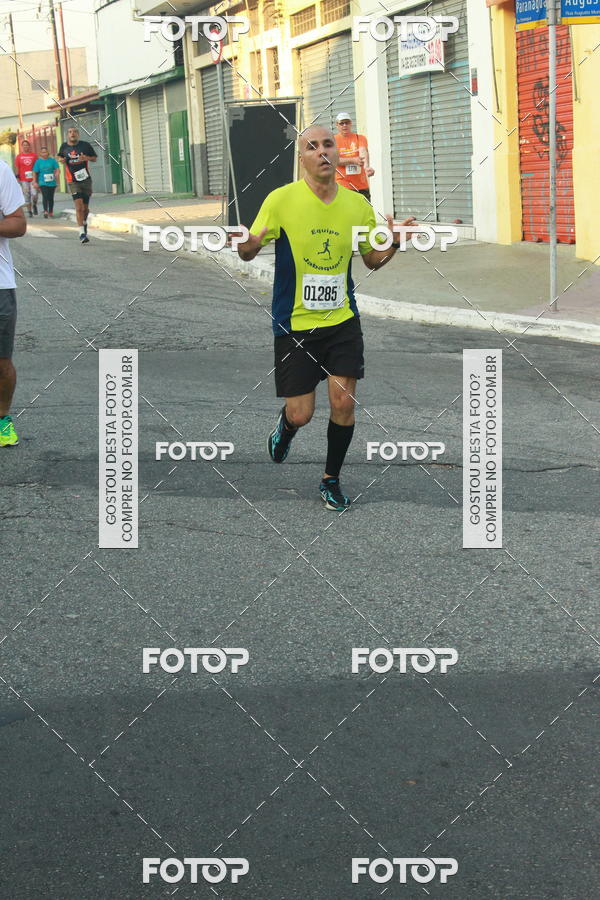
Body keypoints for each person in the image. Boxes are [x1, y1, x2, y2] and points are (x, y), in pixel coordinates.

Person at [236, 125, 415, 511]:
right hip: (295, 323)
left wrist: (395, 242)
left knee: (343, 404)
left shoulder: (356, 205)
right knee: (302, 413)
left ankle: (330, 479)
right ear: (301, 158)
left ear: (338, 153)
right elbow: (250, 250)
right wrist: (246, 246)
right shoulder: (281, 200)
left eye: (328, 145)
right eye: (311, 147)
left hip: (341, 321)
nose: (321, 152)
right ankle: (286, 428)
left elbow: (371, 259)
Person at [0, 160, 27, 447]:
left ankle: (2, 419)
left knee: (1, 362)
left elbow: (18, 223)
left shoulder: (0, 170)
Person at [57, 126, 97, 243]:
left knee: (85, 209)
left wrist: (86, 158)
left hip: (85, 179)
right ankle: (81, 233)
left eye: (74, 132)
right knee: (79, 207)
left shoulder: (85, 145)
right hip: (72, 180)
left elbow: (94, 158)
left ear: (78, 134)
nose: (72, 134)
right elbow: (59, 156)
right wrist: (61, 160)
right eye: (70, 132)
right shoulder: (64, 146)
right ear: (67, 135)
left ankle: (84, 223)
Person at [334, 113, 375, 202]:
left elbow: (363, 152)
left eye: (347, 122)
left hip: (361, 186)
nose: (345, 125)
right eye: (341, 123)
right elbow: (334, 160)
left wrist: (367, 167)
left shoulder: (360, 138)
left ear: (351, 123)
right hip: (343, 185)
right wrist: (353, 160)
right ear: (337, 125)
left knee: (365, 213)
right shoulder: (333, 140)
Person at [32, 147, 60, 218]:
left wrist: (57, 173)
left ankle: (51, 211)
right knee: (45, 196)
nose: (44, 154)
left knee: (51, 197)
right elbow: (34, 172)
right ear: (40, 153)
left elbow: (57, 169)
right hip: (42, 182)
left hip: (52, 182)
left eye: (45, 152)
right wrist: (35, 181)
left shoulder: (52, 161)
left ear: (48, 153)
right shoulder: (38, 161)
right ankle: (45, 211)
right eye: (43, 152)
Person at [14, 139, 38, 218]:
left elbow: (37, 167)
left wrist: (37, 177)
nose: (25, 147)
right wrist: (17, 178)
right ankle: (29, 211)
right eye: (24, 145)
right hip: (23, 179)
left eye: (27, 145)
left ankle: (34, 205)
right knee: (27, 195)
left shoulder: (34, 155)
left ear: (29, 146)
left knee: (34, 194)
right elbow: (17, 167)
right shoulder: (19, 156)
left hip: (33, 178)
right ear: (22, 147)